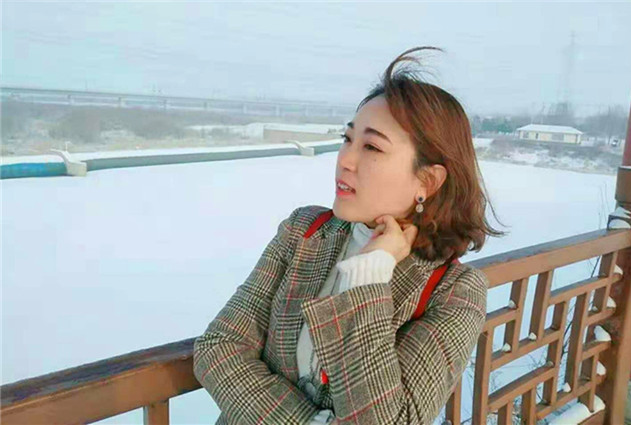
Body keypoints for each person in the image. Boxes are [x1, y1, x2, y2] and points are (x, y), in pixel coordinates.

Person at [193, 46, 505, 425]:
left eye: (372, 146)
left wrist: (370, 275)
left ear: (427, 180)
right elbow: (220, 346)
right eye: (347, 139)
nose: (345, 159)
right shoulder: (305, 232)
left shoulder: (454, 292)